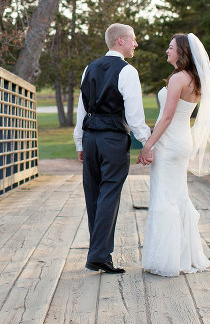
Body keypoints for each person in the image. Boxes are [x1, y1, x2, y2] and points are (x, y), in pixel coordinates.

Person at [137, 33, 210, 276]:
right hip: (182, 140)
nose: (167, 51)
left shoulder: (178, 78)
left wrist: (148, 146)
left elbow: (167, 117)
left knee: (164, 197)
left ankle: (166, 260)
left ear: (182, 51)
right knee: (178, 196)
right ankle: (183, 256)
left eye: (170, 48)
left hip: (169, 143)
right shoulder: (195, 80)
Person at [74, 23, 151, 274]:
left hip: (91, 138)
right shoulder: (127, 71)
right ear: (121, 41)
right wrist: (147, 142)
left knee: (93, 194)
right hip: (113, 140)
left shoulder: (89, 68)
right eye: (133, 39)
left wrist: (79, 141)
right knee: (109, 194)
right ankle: (98, 256)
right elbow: (134, 115)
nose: (135, 44)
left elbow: (82, 109)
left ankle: (98, 254)